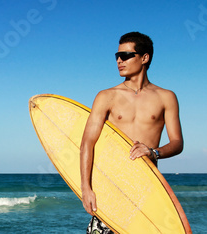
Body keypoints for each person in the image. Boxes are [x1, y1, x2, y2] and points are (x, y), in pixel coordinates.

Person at [78, 32, 184, 233]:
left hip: (147, 186)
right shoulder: (106, 96)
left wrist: (154, 152)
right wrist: (86, 189)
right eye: (117, 56)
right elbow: (86, 144)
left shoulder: (166, 97)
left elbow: (177, 142)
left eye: (126, 55)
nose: (119, 60)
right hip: (111, 184)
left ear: (144, 58)